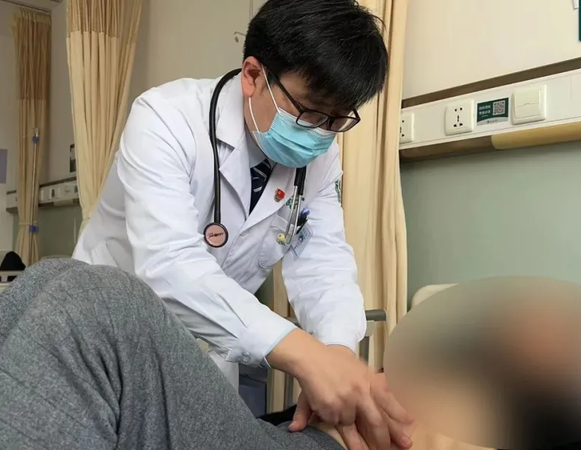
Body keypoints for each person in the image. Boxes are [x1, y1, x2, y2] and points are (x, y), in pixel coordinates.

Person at [72, 0, 405, 448]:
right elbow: (169, 265)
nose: (321, 133)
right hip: (108, 334)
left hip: (208, 350)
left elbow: (323, 261)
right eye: (309, 112)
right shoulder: (165, 118)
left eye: (337, 119)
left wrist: (337, 353)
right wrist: (305, 356)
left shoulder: (321, 158)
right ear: (253, 75)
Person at [0, 260, 581, 450]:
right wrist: (339, 381)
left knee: (98, 305)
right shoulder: (457, 360)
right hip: (280, 437)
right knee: (48, 280)